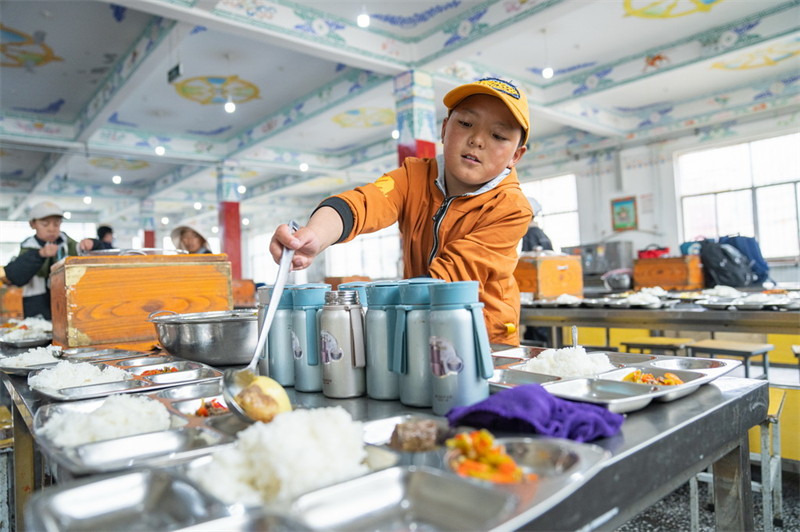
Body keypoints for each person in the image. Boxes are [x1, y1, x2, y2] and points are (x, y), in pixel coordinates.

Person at [270, 77, 532, 345]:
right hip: (420, 322)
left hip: (486, 340)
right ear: (444, 129)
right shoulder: (413, 176)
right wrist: (313, 235)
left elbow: (452, 278)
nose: (477, 140)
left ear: (515, 156)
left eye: (498, 136)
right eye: (465, 123)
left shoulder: (511, 207)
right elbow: (363, 203)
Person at [4, 201, 100, 319]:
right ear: (32, 224)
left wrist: (93, 244)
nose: (51, 229)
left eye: (56, 224)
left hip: (70, 308)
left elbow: (100, 255)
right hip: (37, 313)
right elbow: (14, 277)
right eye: (45, 224)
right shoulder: (28, 248)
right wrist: (40, 254)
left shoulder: (69, 245)